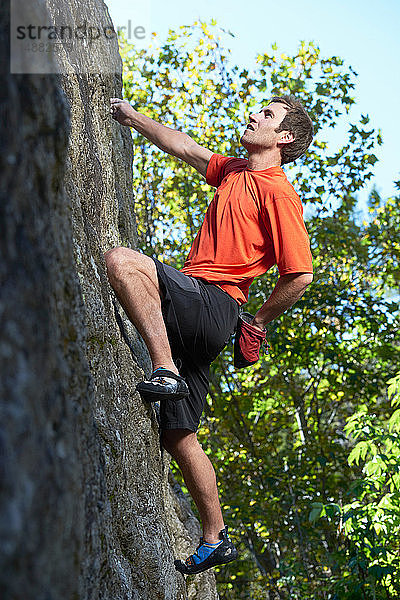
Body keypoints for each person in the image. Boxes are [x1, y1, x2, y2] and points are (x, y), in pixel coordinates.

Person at [105, 94, 314, 575]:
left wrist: (259, 322)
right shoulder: (235, 171)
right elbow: (185, 147)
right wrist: (132, 116)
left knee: (122, 262)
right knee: (181, 435)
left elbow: (299, 273)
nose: (254, 113)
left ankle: (163, 368)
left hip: (215, 303)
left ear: (284, 137)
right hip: (204, 319)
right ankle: (215, 536)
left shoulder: (277, 191)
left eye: (268, 114)